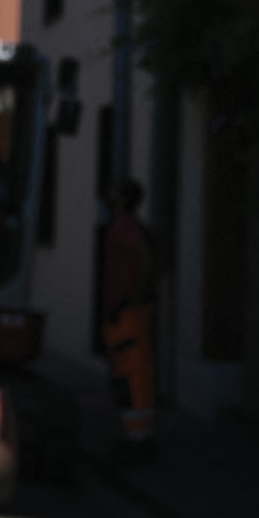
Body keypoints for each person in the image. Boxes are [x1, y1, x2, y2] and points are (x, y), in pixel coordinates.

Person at [99, 177, 157, 458]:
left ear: (122, 198)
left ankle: (138, 440)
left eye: (113, 190)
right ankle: (135, 435)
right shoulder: (129, 225)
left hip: (127, 312)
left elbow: (144, 259)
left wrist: (133, 296)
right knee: (127, 374)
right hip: (125, 310)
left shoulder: (124, 226)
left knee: (131, 375)